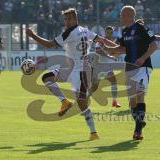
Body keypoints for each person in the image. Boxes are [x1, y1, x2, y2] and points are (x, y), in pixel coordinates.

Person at [26, 8, 117, 140]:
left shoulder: (69, 33)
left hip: (81, 72)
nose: (66, 21)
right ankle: (65, 102)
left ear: (75, 19)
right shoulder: (84, 30)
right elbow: (102, 39)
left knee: (82, 104)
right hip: (70, 69)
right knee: (47, 77)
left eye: (69, 18)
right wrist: (117, 48)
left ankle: (93, 133)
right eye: (65, 19)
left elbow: (49, 45)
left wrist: (33, 35)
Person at [103, 6, 158, 140]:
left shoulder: (142, 28)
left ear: (128, 15)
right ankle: (140, 122)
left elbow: (154, 45)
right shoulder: (125, 32)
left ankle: (138, 130)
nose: (120, 17)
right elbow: (122, 49)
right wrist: (109, 49)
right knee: (132, 102)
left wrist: (143, 58)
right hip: (129, 69)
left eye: (121, 15)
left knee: (140, 96)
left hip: (143, 67)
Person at [94, 26, 121, 108]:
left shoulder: (112, 43)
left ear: (113, 33)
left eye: (111, 32)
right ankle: (83, 100)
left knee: (114, 82)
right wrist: (110, 56)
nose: (109, 34)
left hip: (107, 68)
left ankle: (114, 101)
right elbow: (98, 51)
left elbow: (116, 52)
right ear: (105, 33)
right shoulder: (101, 41)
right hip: (99, 67)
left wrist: (114, 54)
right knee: (94, 87)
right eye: (107, 32)